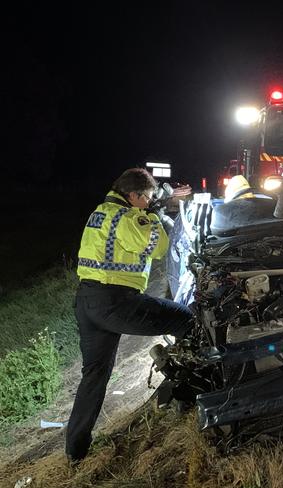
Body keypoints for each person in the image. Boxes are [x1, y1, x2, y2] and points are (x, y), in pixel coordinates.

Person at [66, 168, 194, 462]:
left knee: (94, 376)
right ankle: (189, 394)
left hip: (87, 301)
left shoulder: (101, 211)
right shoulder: (128, 217)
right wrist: (155, 213)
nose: (149, 202)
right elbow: (160, 247)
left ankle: (76, 451)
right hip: (116, 302)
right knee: (186, 319)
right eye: (147, 198)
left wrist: (156, 204)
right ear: (134, 196)